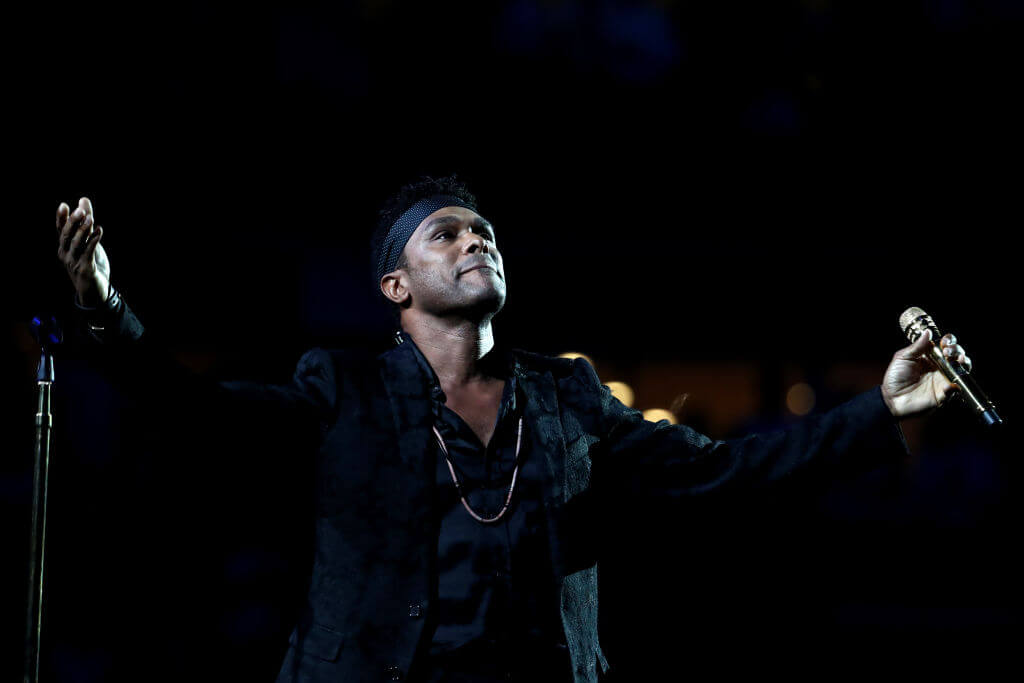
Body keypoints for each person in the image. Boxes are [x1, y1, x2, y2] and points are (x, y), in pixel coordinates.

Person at [55, 175, 971, 683]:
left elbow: (723, 472)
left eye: (483, 231)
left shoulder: (566, 393)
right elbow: (199, 416)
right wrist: (108, 312)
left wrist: (879, 407)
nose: (474, 241)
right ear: (396, 288)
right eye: (444, 235)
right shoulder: (341, 389)